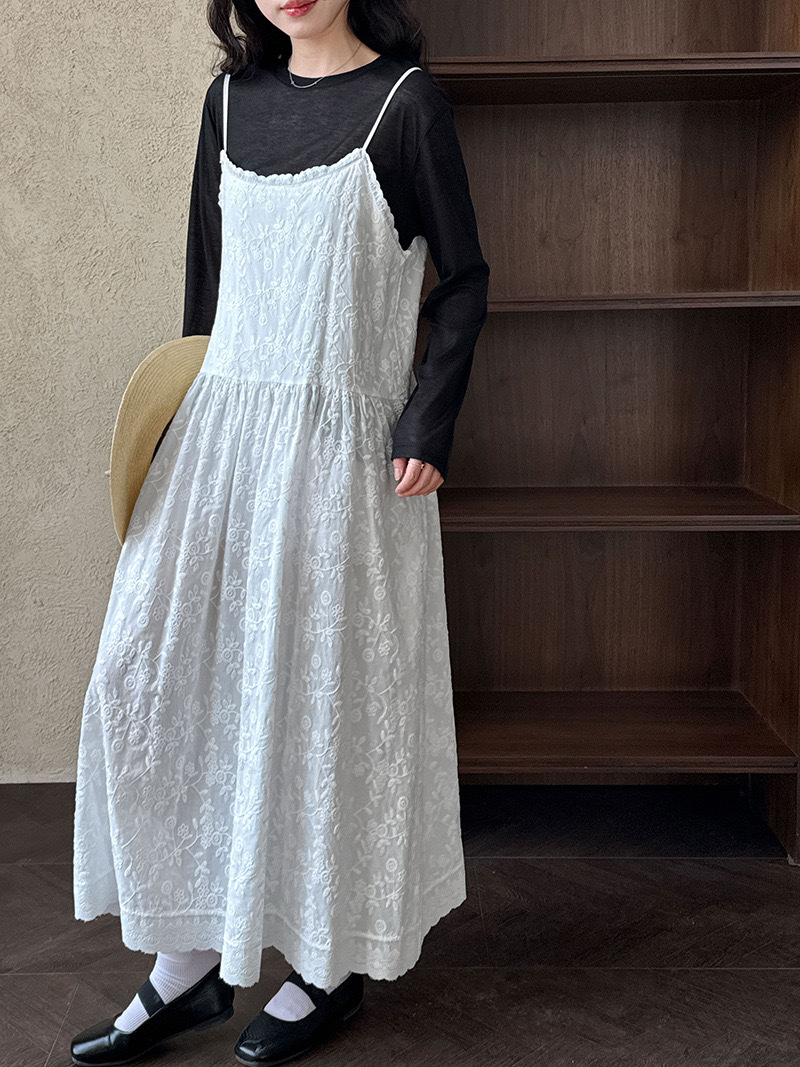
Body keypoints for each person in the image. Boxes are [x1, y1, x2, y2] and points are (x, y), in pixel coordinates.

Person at [70, 0, 489, 1063]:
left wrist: (427, 421)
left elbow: (464, 282)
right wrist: (172, 441)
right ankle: (188, 961)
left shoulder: (406, 106)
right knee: (154, 677)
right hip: (217, 444)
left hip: (345, 459)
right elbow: (205, 297)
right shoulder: (227, 102)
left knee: (324, 701)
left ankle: (326, 967)